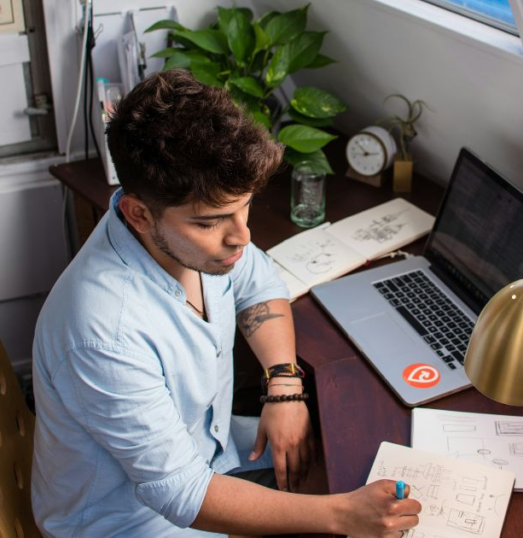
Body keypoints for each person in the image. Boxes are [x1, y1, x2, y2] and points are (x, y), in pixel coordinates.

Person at [30, 69, 422, 537]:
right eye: (212, 222)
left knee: (343, 463)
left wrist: (284, 386)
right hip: (130, 521)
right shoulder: (103, 333)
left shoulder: (189, 236)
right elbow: (183, 494)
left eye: (246, 206)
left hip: (207, 450)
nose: (243, 236)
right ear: (138, 213)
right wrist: (342, 517)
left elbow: (258, 282)